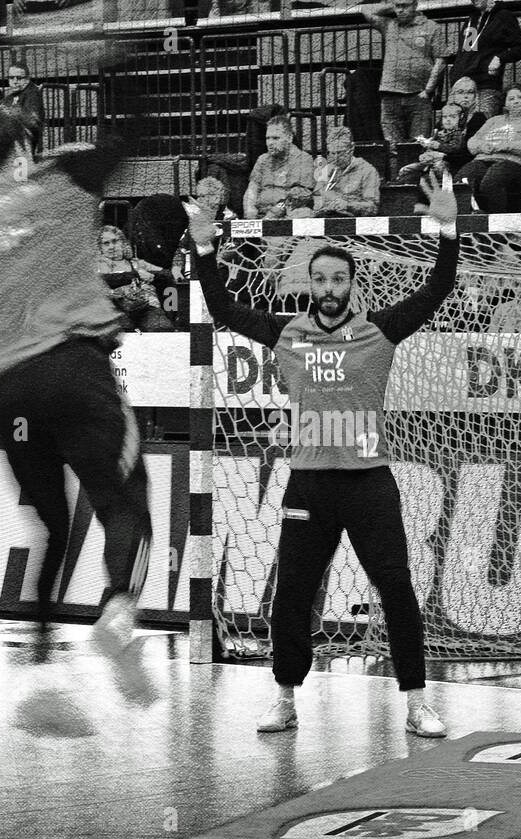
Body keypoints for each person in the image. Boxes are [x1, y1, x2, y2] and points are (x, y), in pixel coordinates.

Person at [188, 179, 460, 738]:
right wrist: (205, 249)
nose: (329, 287)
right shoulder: (285, 332)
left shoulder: (379, 330)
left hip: (369, 484)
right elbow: (220, 306)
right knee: (292, 593)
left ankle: (416, 701)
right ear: (309, 285)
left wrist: (449, 231)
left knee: (397, 589)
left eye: (339, 279)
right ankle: (284, 697)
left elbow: (438, 288)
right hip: (308, 486)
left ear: (352, 285)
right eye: (321, 279)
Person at [0, 105, 156, 700]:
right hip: (75, 371)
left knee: (51, 525)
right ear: (22, 152)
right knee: (125, 500)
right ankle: (117, 613)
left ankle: (41, 660)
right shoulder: (60, 185)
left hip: (11, 396)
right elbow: (131, 128)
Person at [358, 0, 452, 142]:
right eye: (398, 6)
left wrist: (428, 90)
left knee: (419, 146)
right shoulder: (389, 25)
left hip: (418, 96)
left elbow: (441, 60)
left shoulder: (431, 28)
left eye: (405, 6)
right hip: (390, 96)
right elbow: (366, 10)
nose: (400, 10)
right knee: (392, 149)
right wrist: (392, 4)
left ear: (415, 5)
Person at [459, 83, 521, 212]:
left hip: (519, 164)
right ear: (505, 105)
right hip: (486, 159)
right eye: (511, 99)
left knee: (494, 178)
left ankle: (497, 221)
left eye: (520, 97)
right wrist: (482, 146)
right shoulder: (493, 121)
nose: (516, 101)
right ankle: (467, 219)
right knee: (464, 178)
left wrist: (507, 146)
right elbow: (472, 143)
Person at [448, 0, 521, 118]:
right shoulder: (472, 19)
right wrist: (455, 77)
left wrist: (500, 58)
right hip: (462, 85)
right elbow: (466, 53)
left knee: (478, 124)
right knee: (454, 127)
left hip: (485, 85)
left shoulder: (503, 16)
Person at [96, 225, 172, 332]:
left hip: (147, 308)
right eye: (106, 243)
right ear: (100, 248)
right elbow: (101, 279)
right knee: (122, 329)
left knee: (162, 328)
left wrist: (153, 275)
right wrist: (136, 275)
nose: (111, 247)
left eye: (115, 241)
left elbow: (167, 275)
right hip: (114, 310)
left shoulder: (137, 263)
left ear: (122, 243)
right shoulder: (97, 266)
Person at [242, 116, 314, 219]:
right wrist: (250, 210)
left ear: (289, 138)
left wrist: (272, 215)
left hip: (287, 215)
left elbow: (299, 196)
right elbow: (252, 189)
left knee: (302, 212)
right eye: (268, 138)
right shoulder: (262, 159)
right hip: (261, 215)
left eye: (276, 138)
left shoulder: (303, 159)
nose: (270, 143)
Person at [312, 127, 380, 216]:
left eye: (340, 153)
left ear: (351, 149)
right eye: (332, 153)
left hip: (354, 221)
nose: (335, 158)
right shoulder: (327, 169)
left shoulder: (367, 171)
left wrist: (347, 205)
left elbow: (372, 208)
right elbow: (317, 200)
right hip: (328, 217)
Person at [440, 77, 489, 176]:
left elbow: (469, 153)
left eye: (470, 92)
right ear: (453, 96)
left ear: (475, 97)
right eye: (460, 92)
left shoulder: (479, 118)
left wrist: (443, 157)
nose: (465, 96)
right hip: (443, 161)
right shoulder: (446, 116)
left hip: (466, 164)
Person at [2, 60, 46, 156]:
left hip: (23, 146)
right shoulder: (10, 97)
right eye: (11, 78)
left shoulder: (32, 94)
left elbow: (31, 120)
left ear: (27, 79)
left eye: (19, 78)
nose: (14, 82)